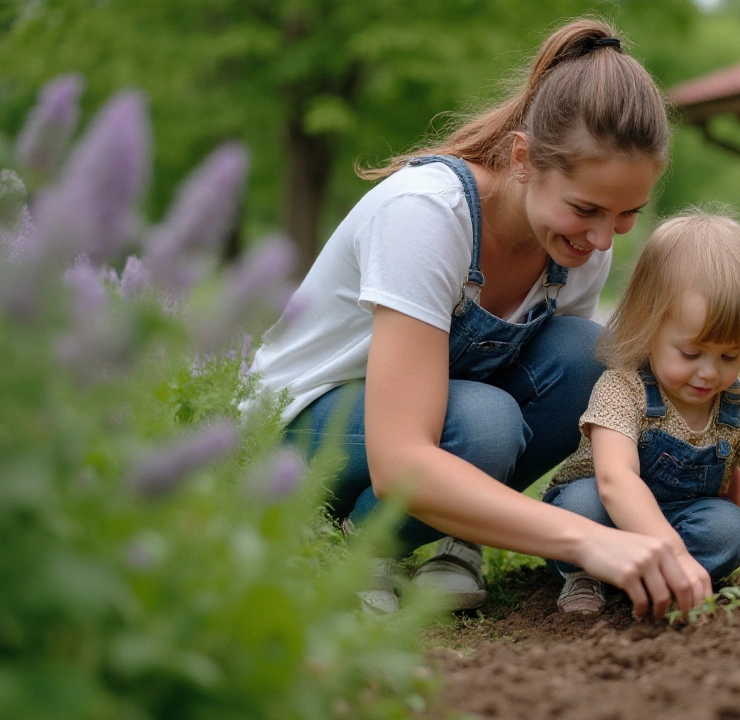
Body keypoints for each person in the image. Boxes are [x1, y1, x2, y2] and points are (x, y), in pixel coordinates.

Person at [249, 18, 708, 619]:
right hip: (302, 434)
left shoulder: (578, 245)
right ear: (523, 159)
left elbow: (553, 396)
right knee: (485, 422)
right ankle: (346, 549)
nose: (602, 237)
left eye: (626, 214)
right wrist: (590, 539)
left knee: (583, 358)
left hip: (431, 418)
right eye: (586, 208)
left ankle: (456, 541)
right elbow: (398, 460)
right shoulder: (426, 216)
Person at [542, 212, 740, 620]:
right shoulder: (623, 389)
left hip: (680, 520)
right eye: (691, 353)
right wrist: (670, 550)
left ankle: (670, 577)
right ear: (649, 327)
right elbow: (615, 481)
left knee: (726, 530)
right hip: (607, 523)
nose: (710, 372)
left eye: (729, 355)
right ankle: (587, 577)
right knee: (579, 504)